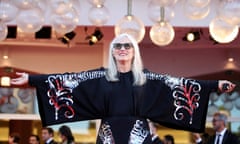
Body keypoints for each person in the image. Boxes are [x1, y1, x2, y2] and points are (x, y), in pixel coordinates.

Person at [11, 33, 236, 144]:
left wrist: (215, 85)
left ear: (134, 51)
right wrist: (32, 79)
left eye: (127, 45)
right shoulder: (100, 75)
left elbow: (179, 84)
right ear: (112, 51)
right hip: (108, 135)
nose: (122, 49)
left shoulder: (145, 78)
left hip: (138, 136)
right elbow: (70, 80)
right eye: (117, 45)